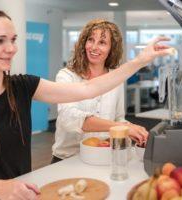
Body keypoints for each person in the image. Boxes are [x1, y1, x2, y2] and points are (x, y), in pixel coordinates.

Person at [0, 7, 171, 200]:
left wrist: (140, 60)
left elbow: (88, 88)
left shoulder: (22, 86)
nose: (11, 48)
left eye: (13, 39)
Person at [51, 19, 149, 163]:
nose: (94, 47)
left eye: (102, 42)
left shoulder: (115, 79)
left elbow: (118, 118)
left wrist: (131, 129)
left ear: (112, 49)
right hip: (67, 159)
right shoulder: (66, 76)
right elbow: (68, 118)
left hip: (104, 157)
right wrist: (121, 127)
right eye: (91, 40)